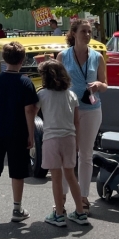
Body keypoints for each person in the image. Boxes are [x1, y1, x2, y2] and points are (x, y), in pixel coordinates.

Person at [0, 41, 37, 223]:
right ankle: (17, 208)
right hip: (18, 131)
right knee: (18, 170)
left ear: (4, 59)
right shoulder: (25, 82)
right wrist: (31, 133)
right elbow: (29, 110)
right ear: (23, 60)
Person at [58, 18, 108, 212]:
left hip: (91, 110)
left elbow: (105, 84)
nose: (87, 35)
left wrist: (98, 85)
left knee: (85, 153)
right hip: (69, 110)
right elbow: (57, 84)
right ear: (74, 33)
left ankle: (84, 197)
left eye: (89, 32)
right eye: (83, 31)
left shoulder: (97, 57)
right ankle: (61, 195)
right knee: (67, 154)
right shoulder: (63, 56)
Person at [37, 58, 89, 227]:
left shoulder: (42, 94)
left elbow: (33, 110)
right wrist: (77, 141)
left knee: (56, 178)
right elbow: (77, 121)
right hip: (69, 138)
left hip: (51, 139)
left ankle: (59, 213)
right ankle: (80, 212)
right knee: (71, 176)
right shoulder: (72, 95)